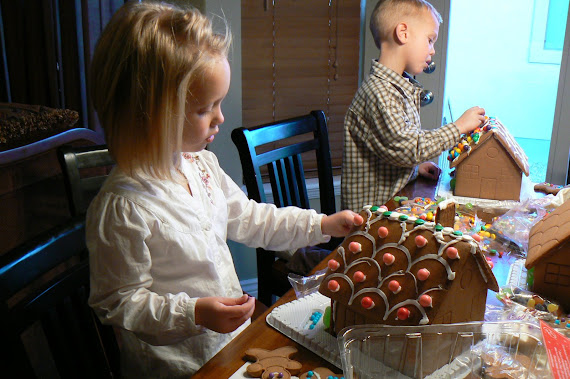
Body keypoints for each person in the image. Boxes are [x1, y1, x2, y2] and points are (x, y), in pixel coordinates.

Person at [86, 2, 362, 378]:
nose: (221, 117)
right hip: (179, 367)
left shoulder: (201, 167)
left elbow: (252, 219)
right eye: (205, 108)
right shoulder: (122, 207)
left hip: (230, 348)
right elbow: (120, 303)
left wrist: (322, 224)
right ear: (150, 114)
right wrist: (194, 313)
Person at [341, 0, 486, 211]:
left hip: (391, 207)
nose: (433, 50)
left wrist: (414, 170)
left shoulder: (395, 87)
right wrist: (459, 127)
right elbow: (409, 147)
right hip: (367, 224)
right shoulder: (380, 93)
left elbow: (393, 149)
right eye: (430, 40)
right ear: (403, 33)